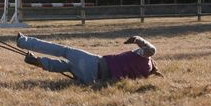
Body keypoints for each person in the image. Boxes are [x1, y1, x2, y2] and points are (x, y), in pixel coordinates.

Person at [16, 32, 163, 84]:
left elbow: (151, 50)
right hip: (92, 80)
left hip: (95, 63)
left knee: (63, 51)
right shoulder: (142, 75)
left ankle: (24, 41)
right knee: (67, 66)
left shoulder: (145, 59)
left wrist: (138, 39)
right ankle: (40, 62)